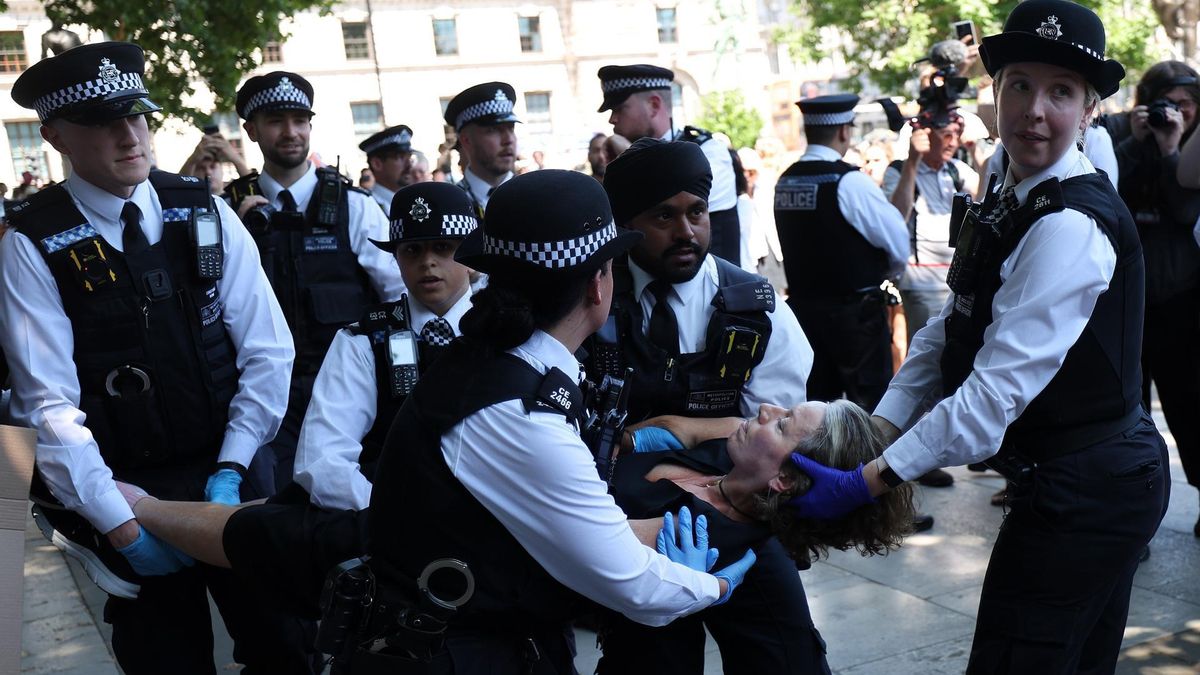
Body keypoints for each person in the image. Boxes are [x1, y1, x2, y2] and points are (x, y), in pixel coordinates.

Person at [790, 3, 1170, 671]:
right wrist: (879, 426)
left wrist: (871, 478)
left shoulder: (1070, 225)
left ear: (1088, 112)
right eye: (1020, 83)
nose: (1035, 110)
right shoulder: (1008, 185)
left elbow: (990, 400)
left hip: (1093, 485)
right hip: (1066, 476)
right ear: (996, 93)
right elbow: (949, 329)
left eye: (1061, 92)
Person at [1, 41, 314, 673]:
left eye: (137, 116)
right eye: (103, 123)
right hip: (126, 488)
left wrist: (234, 464)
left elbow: (267, 351)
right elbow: (48, 407)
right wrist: (120, 525)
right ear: (56, 134)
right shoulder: (34, 243)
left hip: (235, 467)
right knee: (166, 659)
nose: (130, 136)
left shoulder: (204, 211)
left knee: (286, 648)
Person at [588, 138, 826, 672]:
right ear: (627, 223)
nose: (685, 231)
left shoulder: (758, 310)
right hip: (626, 526)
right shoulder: (590, 300)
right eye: (663, 216)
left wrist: (683, 430)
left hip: (736, 517)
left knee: (788, 658)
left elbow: (779, 433)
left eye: (696, 212)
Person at [596, 400, 914, 674]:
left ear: (784, 480)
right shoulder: (743, 447)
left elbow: (588, 538)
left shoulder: (703, 536)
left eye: (782, 423)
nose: (765, 409)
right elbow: (674, 428)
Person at [223, 71, 405, 496]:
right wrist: (245, 232)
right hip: (263, 395)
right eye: (275, 121)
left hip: (348, 389)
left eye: (300, 119)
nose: (291, 132)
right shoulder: (228, 214)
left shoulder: (354, 207)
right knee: (277, 509)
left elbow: (398, 296)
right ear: (251, 130)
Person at [292, 181, 478, 511]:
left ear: (471, 257)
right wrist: (391, 516)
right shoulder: (363, 342)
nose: (428, 262)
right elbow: (321, 461)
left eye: (443, 246)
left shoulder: (505, 330)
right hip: (392, 522)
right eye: (412, 250)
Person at [774, 93, 909, 412]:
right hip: (855, 317)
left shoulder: (786, 180)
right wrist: (887, 275)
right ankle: (872, 464)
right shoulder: (850, 181)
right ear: (844, 132)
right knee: (871, 408)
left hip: (804, 313)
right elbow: (897, 243)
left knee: (816, 409)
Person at [1117, 61, 1200, 538]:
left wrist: (1172, 148)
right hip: (1129, 300)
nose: (1177, 112)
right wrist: (1136, 140)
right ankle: (1134, 514)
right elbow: (1108, 193)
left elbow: (1188, 208)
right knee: (1129, 414)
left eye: (1186, 105)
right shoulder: (1124, 141)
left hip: (1182, 302)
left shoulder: (1191, 149)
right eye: (1168, 103)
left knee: (1190, 409)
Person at [597, 64, 743, 266]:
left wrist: (628, 161)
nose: (612, 119)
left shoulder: (710, 151)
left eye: (620, 108)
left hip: (718, 291)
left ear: (654, 105)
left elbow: (669, 195)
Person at [443, 82, 520, 216]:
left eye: (511, 128)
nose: (508, 140)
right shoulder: (449, 207)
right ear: (466, 140)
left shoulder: (537, 195)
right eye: (493, 130)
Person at [359, 124, 415, 212]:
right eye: (400, 157)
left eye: (410, 157)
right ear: (377, 164)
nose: (409, 164)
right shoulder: (366, 208)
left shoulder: (415, 200)